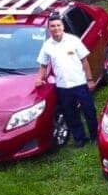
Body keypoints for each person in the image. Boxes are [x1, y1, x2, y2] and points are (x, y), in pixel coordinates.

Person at [35, 13, 97, 147]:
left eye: (58, 25)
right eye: (52, 26)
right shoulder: (47, 45)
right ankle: (80, 139)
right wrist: (39, 78)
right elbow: (43, 65)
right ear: (49, 28)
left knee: (89, 111)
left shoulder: (73, 40)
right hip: (63, 86)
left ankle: (94, 136)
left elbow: (85, 61)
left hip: (80, 83)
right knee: (71, 114)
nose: (56, 28)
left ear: (63, 27)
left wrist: (90, 80)